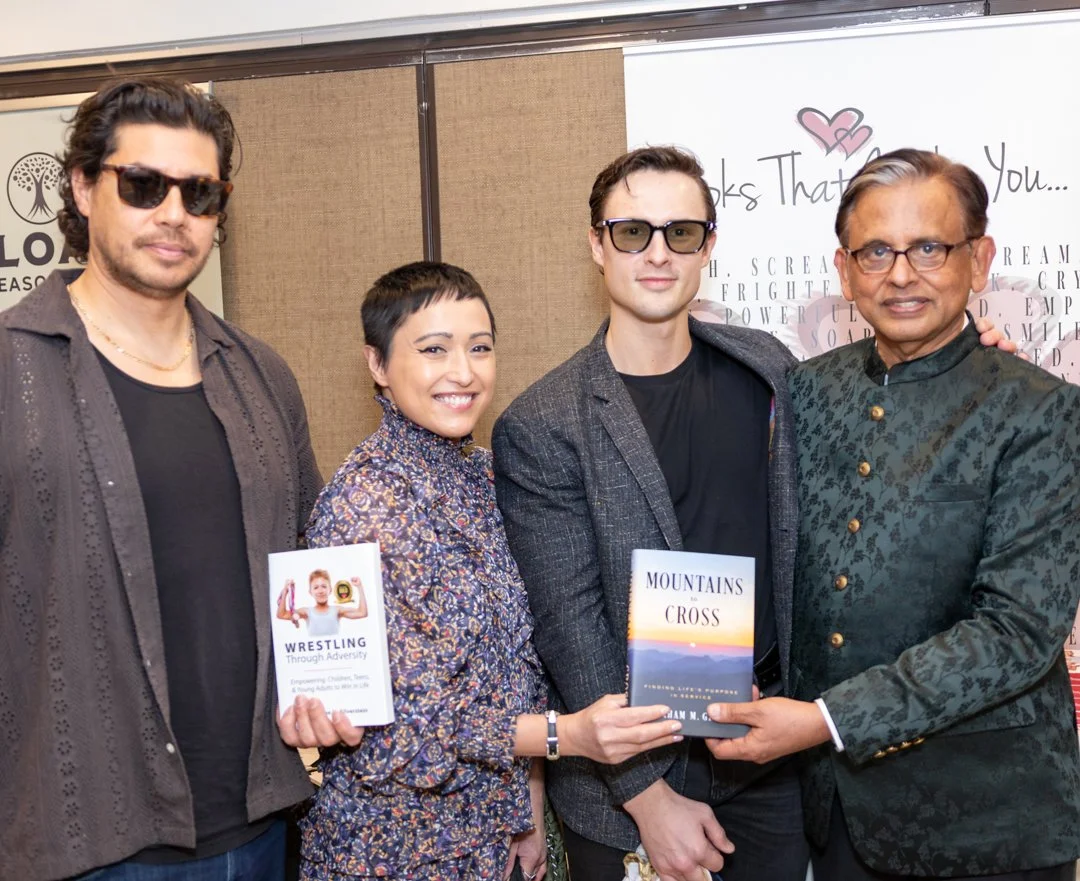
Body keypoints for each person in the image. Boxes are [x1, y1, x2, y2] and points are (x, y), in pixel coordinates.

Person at [705, 148, 1080, 880]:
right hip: (840, 816)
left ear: (980, 260)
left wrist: (823, 720)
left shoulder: (1042, 410)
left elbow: (1017, 631)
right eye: (875, 251)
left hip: (991, 821)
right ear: (844, 271)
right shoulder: (805, 392)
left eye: (929, 248)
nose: (901, 274)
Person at [0, 77, 327, 880]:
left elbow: (307, 567)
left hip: (258, 823)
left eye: (200, 193)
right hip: (76, 838)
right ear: (81, 187)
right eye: (143, 185)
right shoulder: (10, 368)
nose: (173, 213)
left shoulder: (262, 376)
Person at [297, 261, 684, 881]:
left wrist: (525, 802)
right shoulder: (361, 507)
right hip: (395, 850)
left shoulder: (485, 475)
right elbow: (400, 728)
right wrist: (565, 736)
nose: (464, 372)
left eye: (480, 348)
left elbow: (516, 662)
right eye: (433, 350)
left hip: (491, 837)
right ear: (377, 365)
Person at [491, 146, 805, 881]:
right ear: (597, 244)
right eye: (633, 232)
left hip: (769, 760)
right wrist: (648, 798)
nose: (658, 253)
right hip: (632, 782)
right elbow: (568, 623)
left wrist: (967, 352)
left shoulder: (771, 370)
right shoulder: (545, 421)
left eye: (681, 233)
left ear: (709, 246)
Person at [277, 570, 369, 635]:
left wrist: (359, 587)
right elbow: (282, 615)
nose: (320, 591)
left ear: (330, 590)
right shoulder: (306, 612)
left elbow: (362, 613)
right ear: (310, 592)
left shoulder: (337, 610)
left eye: (324, 586)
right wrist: (285, 592)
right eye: (316, 587)